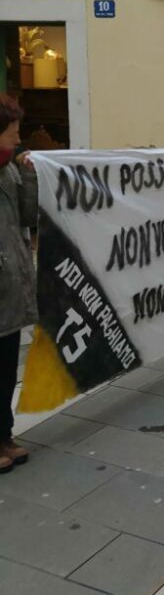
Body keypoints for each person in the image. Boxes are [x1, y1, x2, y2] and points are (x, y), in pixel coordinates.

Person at [0, 94, 36, 474]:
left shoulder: (9, 169)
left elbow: (28, 216)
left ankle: (4, 434)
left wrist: (28, 175)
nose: (18, 137)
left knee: (7, 368)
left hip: (10, 285)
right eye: (12, 131)